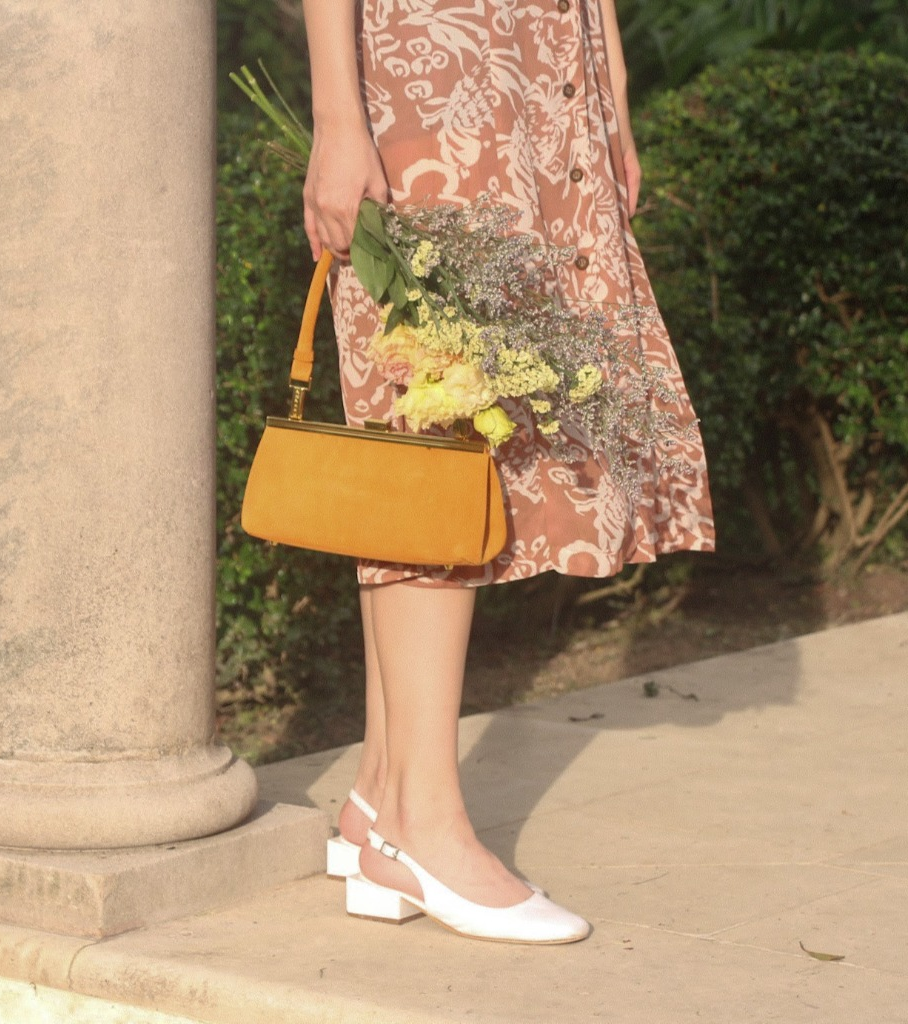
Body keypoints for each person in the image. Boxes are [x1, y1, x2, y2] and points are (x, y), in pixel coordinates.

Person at [300, 0, 715, 943]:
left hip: (546, 59)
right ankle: (423, 827)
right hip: (436, 65)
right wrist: (336, 119)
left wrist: (608, 79)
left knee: (461, 403)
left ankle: (383, 792)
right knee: (438, 415)